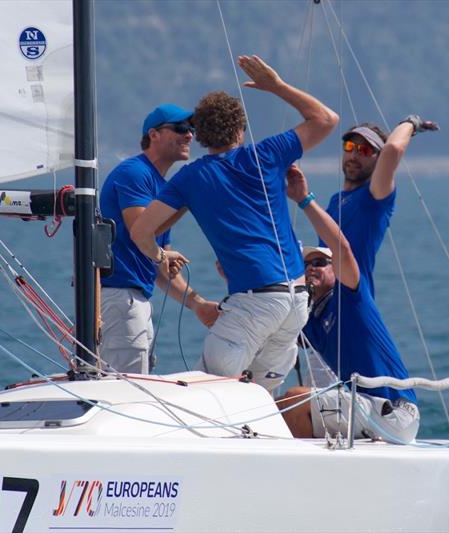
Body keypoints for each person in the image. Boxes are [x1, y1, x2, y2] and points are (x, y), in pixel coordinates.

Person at [130, 55, 338, 391]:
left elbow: (140, 231)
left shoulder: (190, 178)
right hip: (298, 301)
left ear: (199, 136)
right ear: (240, 129)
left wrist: (159, 256)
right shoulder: (268, 153)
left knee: (206, 394)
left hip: (255, 303)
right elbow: (326, 119)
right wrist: (277, 86)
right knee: (256, 398)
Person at [277, 164, 419, 444]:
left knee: (294, 401)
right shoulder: (311, 322)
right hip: (366, 410)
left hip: (395, 414)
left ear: (335, 269)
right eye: (306, 265)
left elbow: (342, 248)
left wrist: (304, 200)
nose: (312, 269)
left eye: (320, 262)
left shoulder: (351, 296)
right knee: (279, 404)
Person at [99, 104, 219, 374]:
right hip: (120, 297)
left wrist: (198, 304)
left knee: (133, 384)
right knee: (124, 390)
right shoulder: (135, 173)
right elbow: (141, 231)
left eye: (191, 130)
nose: (189, 135)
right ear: (153, 135)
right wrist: (186, 201)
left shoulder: (163, 190)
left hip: (135, 300)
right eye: (180, 128)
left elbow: (160, 269)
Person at [325, 116, 438, 295]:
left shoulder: (374, 196)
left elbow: (392, 149)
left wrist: (411, 123)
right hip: (326, 302)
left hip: (354, 298)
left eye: (365, 150)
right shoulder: (335, 200)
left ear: (379, 160)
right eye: (349, 147)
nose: (354, 155)